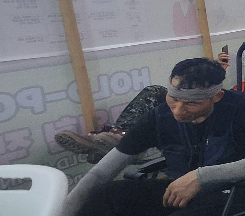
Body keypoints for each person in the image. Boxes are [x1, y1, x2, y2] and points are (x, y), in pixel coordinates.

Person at [55, 57, 245, 216]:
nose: (178, 111)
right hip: (180, 190)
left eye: (191, 103)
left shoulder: (243, 108)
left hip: (236, 192)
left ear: (217, 97)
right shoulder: (159, 117)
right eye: (174, 99)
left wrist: (201, 176)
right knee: (107, 196)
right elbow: (100, 174)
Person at [56, 51, 232, 162]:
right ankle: (117, 136)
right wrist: (215, 69)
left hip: (212, 110)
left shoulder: (238, 105)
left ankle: (119, 140)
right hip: (204, 99)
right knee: (154, 91)